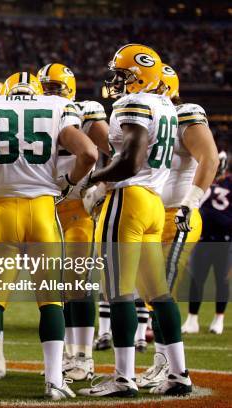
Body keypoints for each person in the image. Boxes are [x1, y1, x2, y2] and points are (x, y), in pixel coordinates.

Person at [0, 71, 97, 400]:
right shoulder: (57, 105)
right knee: (50, 303)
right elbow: (88, 153)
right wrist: (66, 184)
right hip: (44, 213)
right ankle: (54, 382)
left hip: (3, 212)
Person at [78, 44, 191, 397]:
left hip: (129, 200)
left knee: (119, 293)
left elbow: (131, 160)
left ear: (141, 74)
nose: (116, 80)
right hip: (154, 204)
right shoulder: (166, 106)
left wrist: (95, 181)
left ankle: (123, 378)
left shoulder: (135, 103)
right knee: (159, 294)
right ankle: (179, 373)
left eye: (123, 74)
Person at [136, 64, 219, 388]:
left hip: (178, 216)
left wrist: (191, 201)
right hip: (152, 216)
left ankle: (172, 370)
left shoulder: (184, 113)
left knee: (160, 293)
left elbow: (209, 158)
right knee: (150, 294)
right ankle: (164, 364)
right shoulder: (152, 118)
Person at [38, 62, 110, 381]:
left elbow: (114, 150)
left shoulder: (86, 110)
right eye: (48, 86)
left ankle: (84, 356)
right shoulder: (37, 111)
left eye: (56, 86)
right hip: (47, 207)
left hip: (78, 205)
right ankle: (68, 356)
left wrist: (104, 185)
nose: (52, 92)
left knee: (77, 282)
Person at [184, 157, 231, 334]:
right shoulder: (201, 184)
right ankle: (192, 319)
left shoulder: (228, 184)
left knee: (222, 280)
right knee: (197, 279)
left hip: (224, 240)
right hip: (202, 239)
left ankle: (219, 318)